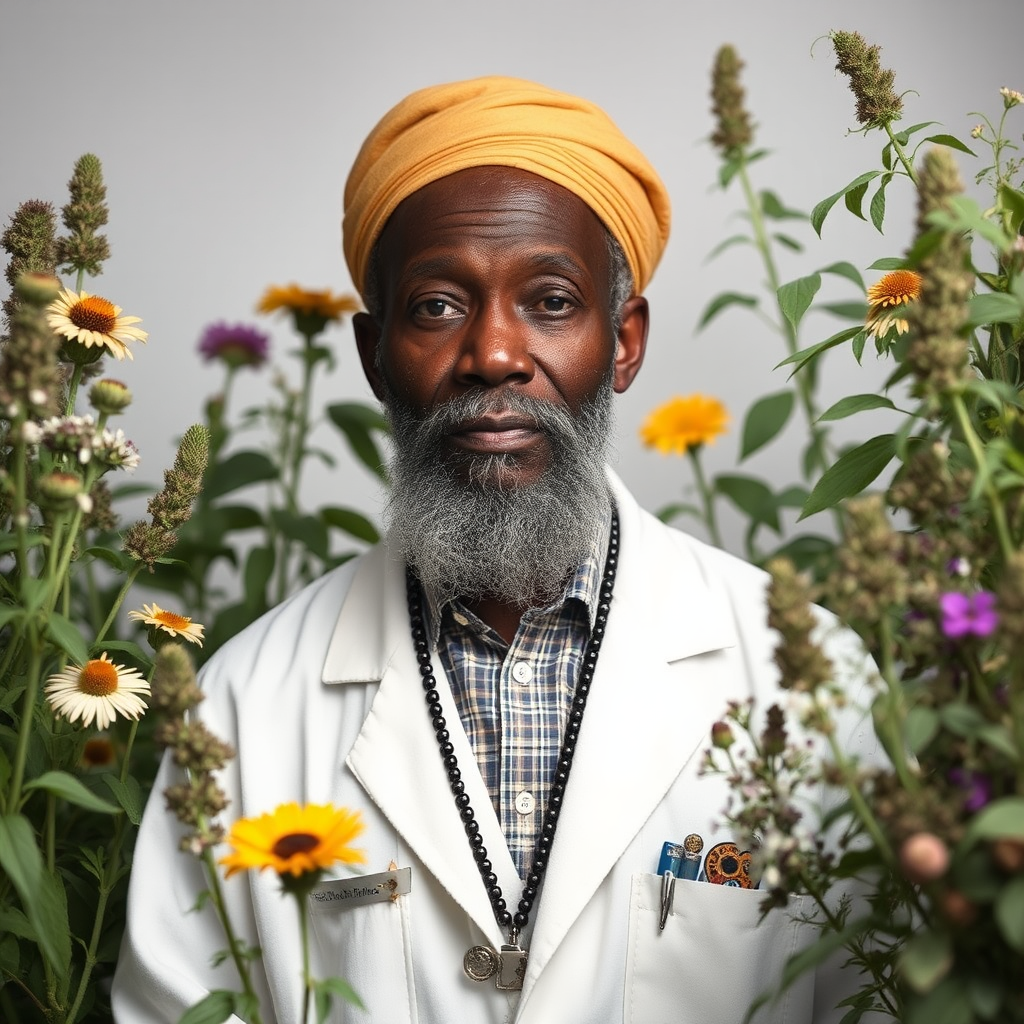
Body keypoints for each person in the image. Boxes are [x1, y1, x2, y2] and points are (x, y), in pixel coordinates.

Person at [113, 76, 872, 1024]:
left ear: (624, 342)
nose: (496, 354)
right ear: (374, 355)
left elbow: (883, 994)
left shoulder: (811, 677)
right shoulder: (242, 706)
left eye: (551, 301)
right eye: (436, 307)